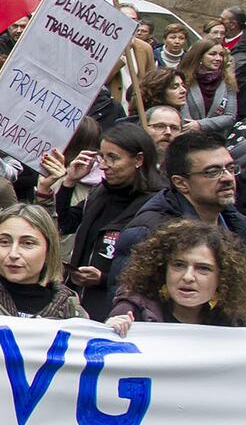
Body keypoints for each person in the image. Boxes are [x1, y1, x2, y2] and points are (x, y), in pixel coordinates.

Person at [41, 121, 163, 320]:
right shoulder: (100, 193)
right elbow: (66, 224)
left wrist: (104, 279)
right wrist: (69, 182)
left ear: (139, 159)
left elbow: (154, 269)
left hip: (120, 310)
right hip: (80, 303)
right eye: (102, 157)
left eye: (113, 158)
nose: (104, 166)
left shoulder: (158, 203)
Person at [113, 129, 246, 281]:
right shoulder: (150, 233)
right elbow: (129, 299)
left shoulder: (240, 225)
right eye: (212, 172)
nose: (228, 178)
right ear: (181, 183)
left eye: (230, 168)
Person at [109, 219, 246, 330]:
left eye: (203, 268)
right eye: (179, 265)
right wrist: (108, 331)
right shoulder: (132, 311)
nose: (188, 277)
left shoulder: (231, 322)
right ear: (162, 269)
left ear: (222, 277)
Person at [178, 33, 238, 132]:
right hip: (187, 137)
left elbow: (230, 116)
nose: (218, 58)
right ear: (200, 56)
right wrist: (191, 128)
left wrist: (200, 125)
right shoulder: (184, 79)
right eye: (212, 54)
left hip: (216, 140)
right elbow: (183, 114)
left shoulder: (228, 81)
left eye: (221, 55)